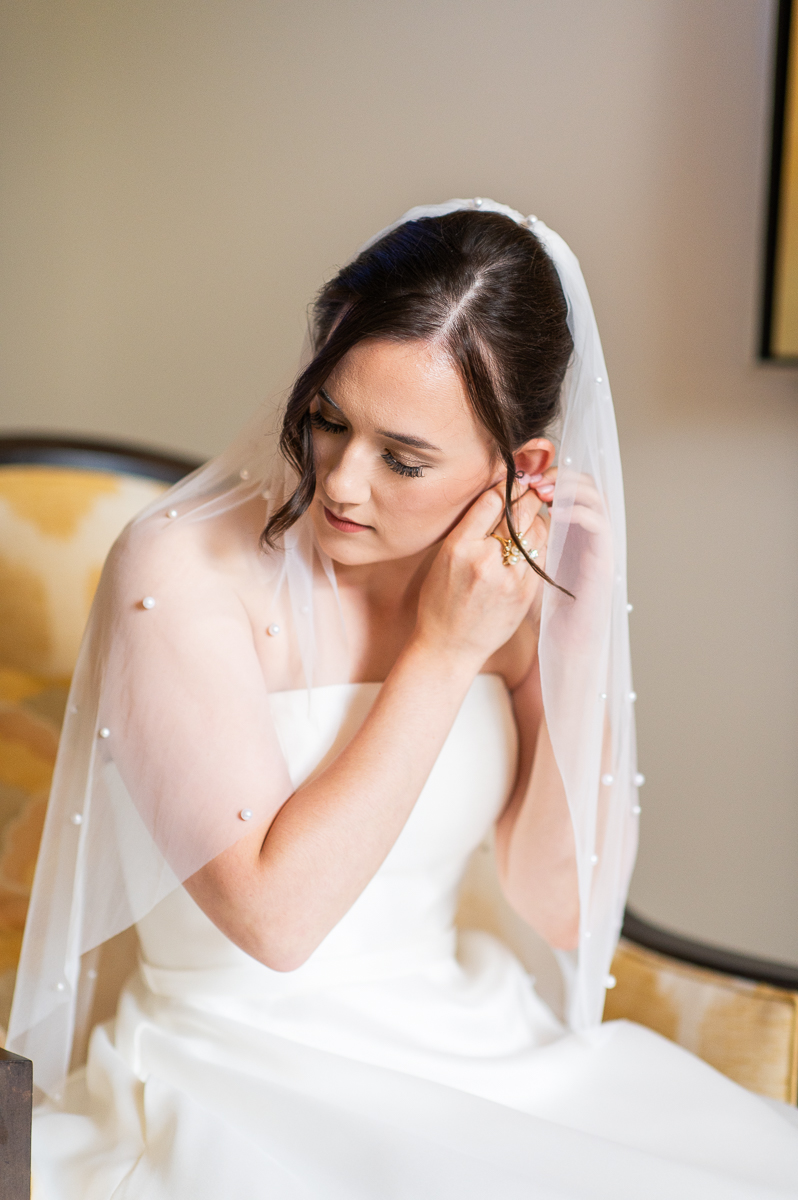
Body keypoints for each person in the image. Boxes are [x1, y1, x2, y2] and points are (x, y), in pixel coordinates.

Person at [11, 200, 798, 1199]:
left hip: (477, 1040)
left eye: (405, 458)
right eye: (329, 417)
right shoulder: (180, 568)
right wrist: (440, 650)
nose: (340, 480)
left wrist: (575, 630)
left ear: (524, 470)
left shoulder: (510, 597)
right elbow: (275, 922)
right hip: (236, 1068)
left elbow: (562, 909)